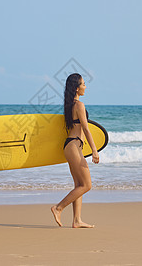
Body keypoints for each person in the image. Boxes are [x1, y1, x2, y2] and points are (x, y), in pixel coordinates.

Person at [51, 73, 99, 228]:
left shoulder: (69, 105)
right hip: (74, 146)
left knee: (79, 184)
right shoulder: (79, 105)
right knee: (87, 185)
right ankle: (58, 208)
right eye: (83, 84)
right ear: (77, 88)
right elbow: (85, 128)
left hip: (71, 146)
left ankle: (77, 220)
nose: (85, 87)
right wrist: (94, 150)